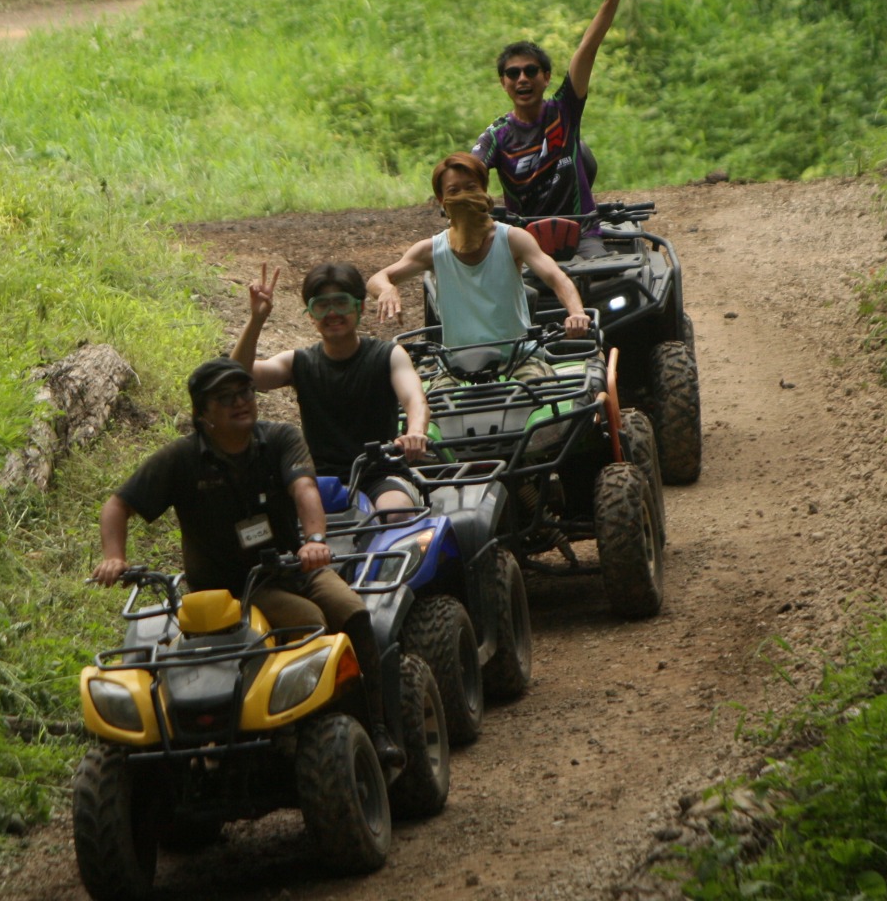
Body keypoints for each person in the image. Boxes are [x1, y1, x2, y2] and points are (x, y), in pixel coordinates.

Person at [90, 356, 405, 767]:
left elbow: (305, 490)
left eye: (245, 393)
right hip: (228, 591)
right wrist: (114, 558)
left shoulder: (279, 439)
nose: (241, 402)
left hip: (292, 567)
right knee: (308, 623)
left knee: (353, 613)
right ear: (202, 414)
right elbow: (117, 506)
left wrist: (314, 541)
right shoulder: (181, 460)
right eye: (226, 398)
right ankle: (294, 733)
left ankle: (374, 728)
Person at [369, 153, 590, 388]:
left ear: (483, 191)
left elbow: (556, 277)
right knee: (433, 406)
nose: (463, 196)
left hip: (518, 359)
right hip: (456, 366)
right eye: (454, 191)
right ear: (442, 200)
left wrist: (576, 312)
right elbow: (378, 278)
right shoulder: (433, 250)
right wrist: (386, 289)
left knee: (541, 397)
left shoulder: (513, 239)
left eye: (471, 187)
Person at [232, 261, 431, 513]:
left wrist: (415, 432)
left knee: (395, 513)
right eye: (322, 305)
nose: (332, 313)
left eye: (341, 302)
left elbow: (415, 400)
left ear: (360, 307)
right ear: (310, 314)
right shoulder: (298, 362)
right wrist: (256, 320)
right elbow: (239, 375)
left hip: (381, 473)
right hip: (318, 480)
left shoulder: (389, 355)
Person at [472, 0, 629, 258]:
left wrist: (612, 0)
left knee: (605, 280)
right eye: (513, 73)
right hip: (525, 244)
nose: (522, 79)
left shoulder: (564, 110)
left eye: (531, 71)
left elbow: (587, 49)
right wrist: (462, 196)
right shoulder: (496, 136)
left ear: (546, 77)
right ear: (503, 83)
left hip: (582, 235)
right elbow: (469, 170)